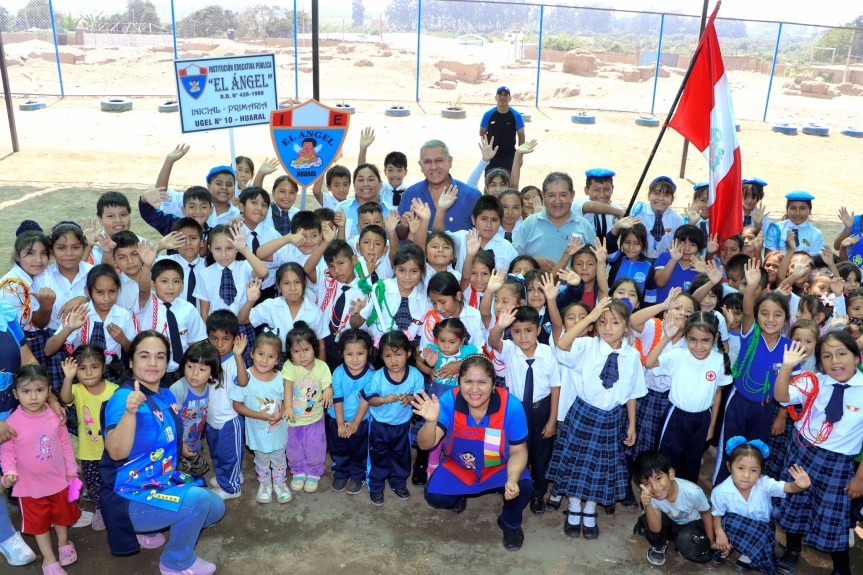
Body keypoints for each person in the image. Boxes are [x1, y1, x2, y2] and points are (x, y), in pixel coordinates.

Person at [100, 331, 224, 575]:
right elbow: (115, 452)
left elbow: (165, 436)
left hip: (159, 482)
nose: (153, 363)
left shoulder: (165, 394)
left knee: (216, 508)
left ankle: (148, 528)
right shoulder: (124, 398)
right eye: (144, 356)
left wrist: (183, 449)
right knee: (196, 503)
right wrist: (130, 413)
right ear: (131, 361)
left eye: (160, 357)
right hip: (128, 495)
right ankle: (176, 563)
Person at [547, 298, 646, 539]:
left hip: (612, 417)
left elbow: (632, 392)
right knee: (576, 464)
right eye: (602, 321)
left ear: (626, 327)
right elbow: (562, 344)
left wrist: (632, 423)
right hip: (583, 413)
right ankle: (573, 507)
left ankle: (590, 509)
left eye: (614, 322)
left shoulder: (632, 356)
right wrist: (590, 317)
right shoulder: (586, 346)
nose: (607, 327)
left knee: (599, 467)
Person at [414, 354, 532, 550]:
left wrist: (511, 478)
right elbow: (425, 444)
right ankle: (459, 495)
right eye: (468, 382)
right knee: (435, 496)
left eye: (482, 382)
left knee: (523, 486)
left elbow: (519, 451)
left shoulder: (511, 406)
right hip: (460, 466)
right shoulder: (448, 401)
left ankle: (510, 522)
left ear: (494, 385)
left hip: (499, 468)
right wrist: (431, 421)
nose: (475, 389)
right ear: (458, 382)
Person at [774, 333, 863, 575]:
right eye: (826, 356)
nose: (834, 361)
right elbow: (781, 396)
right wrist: (787, 367)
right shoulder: (814, 381)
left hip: (837, 463)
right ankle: (792, 550)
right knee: (795, 503)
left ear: (856, 356)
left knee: (834, 516)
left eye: (842, 353)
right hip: (802, 453)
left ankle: (841, 568)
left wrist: (860, 478)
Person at [713, 260, 795, 485]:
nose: (770, 320)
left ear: (786, 320)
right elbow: (747, 309)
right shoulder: (751, 334)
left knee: (755, 453)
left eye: (777, 315)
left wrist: (781, 414)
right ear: (757, 318)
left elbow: (788, 388)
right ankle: (722, 487)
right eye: (765, 314)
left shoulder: (789, 349)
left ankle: (747, 491)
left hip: (767, 408)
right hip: (739, 401)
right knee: (730, 448)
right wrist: (750, 286)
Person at [1, 366, 81, 575]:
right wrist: (9, 471)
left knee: (62, 516)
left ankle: (64, 543)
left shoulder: (55, 416)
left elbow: (65, 445)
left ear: (48, 391)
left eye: (39, 390)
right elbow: (7, 452)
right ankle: (49, 557)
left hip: (58, 481)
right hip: (29, 487)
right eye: (26, 391)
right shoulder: (10, 423)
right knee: (39, 524)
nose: (33, 397)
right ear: (16, 393)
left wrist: (71, 471)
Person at [645, 312, 732, 483]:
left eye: (705, 340)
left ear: (715, 337)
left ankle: (684, 503)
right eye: (693, 339)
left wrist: (712, 425)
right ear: (686, 337)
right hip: (675, 417)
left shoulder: (719, 360)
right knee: (665, 462)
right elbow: (649, 363)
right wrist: (666, 338)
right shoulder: (678, 356)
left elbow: (718, 393)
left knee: (691, 463)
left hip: (702, 419)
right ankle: (659, 503)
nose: (698, 346)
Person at [488, 306, 560, 514]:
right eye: (517, 331)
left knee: (540, 455)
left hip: (542, 409)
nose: (523, 336)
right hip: (516, 410)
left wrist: (552, 421)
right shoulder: (510, 350)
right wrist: (499, 326)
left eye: (528, 330)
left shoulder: (548, 353)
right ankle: (512, 485)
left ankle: (538, 494)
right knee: (515, 450)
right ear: (511, 333)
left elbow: (556, 388)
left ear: (538, 330)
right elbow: (493, 341)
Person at [710, 437, 810, 575]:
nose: (746, 475)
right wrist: (719, 533)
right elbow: (717, 515)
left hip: (761, 529)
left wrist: (799, 486)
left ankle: (747, 553)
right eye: (740, 468)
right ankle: (729, 546)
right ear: (729, 467)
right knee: (727, 522)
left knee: (763, 532)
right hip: (733, 527)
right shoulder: (720, 491)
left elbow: (788, 487)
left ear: (760, 472)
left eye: (753, 470)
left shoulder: (764, 484)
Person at [361, 331, 424, 506]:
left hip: (402, 425)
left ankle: (398, 483)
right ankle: (376, 485)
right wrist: (383, 399)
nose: (393, 360)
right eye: (388, 356)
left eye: (398, 355)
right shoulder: (378, 376)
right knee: (377, 455)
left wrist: (410, 398)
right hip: (379, 425)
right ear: (381, 356)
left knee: (401, 455)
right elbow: (370, 400)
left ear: (408, 353)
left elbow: (420, 396)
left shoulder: (415, 375)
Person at [59, 346, 119, 532]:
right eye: (82, 368)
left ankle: (118, 509)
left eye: (94, 366)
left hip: (114, 449)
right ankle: (101, 510)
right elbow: (65, 397)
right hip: (89, 451)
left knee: (116, 481)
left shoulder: (115, 390)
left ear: (103, 366)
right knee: (95, 484)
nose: (89, 372)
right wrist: (68, 378)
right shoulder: (76, 389)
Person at [230, 332, 291, 504]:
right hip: (257, 432)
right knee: (262, 459)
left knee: (279, 458)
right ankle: (265, 484)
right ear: (252, 353)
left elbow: (288, 401)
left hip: (278, 431)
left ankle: (279, 483)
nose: (264, 360)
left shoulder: (281, 378)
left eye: (271, 356)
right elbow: (237, 405)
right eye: (260, 354)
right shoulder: (245, 377)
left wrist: (281, 413)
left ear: (278, 360)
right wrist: (260, 415)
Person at [634, 451, 713, 566]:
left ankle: (683, 541)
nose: (655, 488)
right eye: (647, 483)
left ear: (671, 473)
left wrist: (712, 540)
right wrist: (648, 504)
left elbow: (707, 514)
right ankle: (660, 543)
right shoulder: (651, 495)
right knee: (647, 519)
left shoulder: (693, 492)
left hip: (693, 524)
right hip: (672, 522)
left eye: (658, 478)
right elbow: (655, 529)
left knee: (688, 544)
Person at [281, 323, 333, 494]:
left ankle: (313, 473)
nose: (302, 356)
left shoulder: (322, 367)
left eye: (306, 349)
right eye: (296, 351)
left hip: (315, 419)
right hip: (294, 419)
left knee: (315, 446)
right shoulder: (290, 367)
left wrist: (327, 391)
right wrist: (287, 407)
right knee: (294, 447)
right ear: (289, 353)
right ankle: (297, 471)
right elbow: (287, 386)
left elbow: (328, 385)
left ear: (314, 348)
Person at [204, 310, 249, 500]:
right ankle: (230, 476)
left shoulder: (234, 361)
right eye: (214, 339)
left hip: (230, 418)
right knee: (217, 452)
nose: (219, 345)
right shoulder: (207, 359)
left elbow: (243, 381)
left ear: (235, 339)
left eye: (225, 339)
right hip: (211, 418)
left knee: (229, 454)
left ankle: (231, 488)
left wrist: (239, 356)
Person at [513, 172, 596, 272]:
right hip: (534, 287)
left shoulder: (584, 226)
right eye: (551, 195)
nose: (557, 201)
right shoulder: (529, 224)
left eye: (563, 195)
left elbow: (595, 264)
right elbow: (514, 260)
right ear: (543, 196)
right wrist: (534, 262)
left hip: (573, 287)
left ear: (572, 195)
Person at [396, 140, 482, 235]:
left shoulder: (472, 196)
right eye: (428, 162)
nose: (433, 167)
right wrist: (403, 226)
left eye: (439, 161)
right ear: (421, 165)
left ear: (449, 161)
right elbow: (400, 236)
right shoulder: (410, 194)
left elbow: (484, 235)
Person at [327, 329, 374, 495]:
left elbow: (365, 400)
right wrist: (340, 424)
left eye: (360, 353)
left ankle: (357, 475)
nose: (355, 359)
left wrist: (355, 423)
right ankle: (341, 472)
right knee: (339, 448)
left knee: (358, 450)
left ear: (369, 352)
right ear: (342, 354)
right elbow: (337, 397)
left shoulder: (371, 375)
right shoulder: (339, 372)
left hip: (360, 420)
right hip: (337, 418)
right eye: (350, 354)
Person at [170, 342, 220, 479]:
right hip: (177, 444)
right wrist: (180, 444)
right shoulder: (178, 389)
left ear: (211, 374)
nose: (194, 373)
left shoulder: (209, 388)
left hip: (195, 440)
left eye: (202, 370)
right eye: (190, 367)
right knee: (178, 476)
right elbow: (171, 421)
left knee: (194, 473)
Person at [630, 176, 684, 262]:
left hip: (665, 262)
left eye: (666, 195)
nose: (661, 198)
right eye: (657, 193)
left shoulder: (676, 219)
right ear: (649, 195)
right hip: (639, 260)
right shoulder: (638, 213)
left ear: (672, 200)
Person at [479, 86, 526, 174]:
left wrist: (520, 156)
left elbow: (521, 135)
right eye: (500, 94)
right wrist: (487, 150)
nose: (503, 97)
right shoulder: (488, 114)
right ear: (496, 97)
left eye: (506, 95)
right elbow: (482, 132)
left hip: (510, 156)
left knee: (510, 184)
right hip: (492, 155)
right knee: (490, 183)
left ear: (510, 98)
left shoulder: (516, 116)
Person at [764, 191, 823, 255]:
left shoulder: (815, 234)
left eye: (802, 208)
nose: (797, 213)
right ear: (787, 209)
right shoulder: (776, 229)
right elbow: (769, 259)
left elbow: (812, 261)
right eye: (793, 208)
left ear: (809, 210)